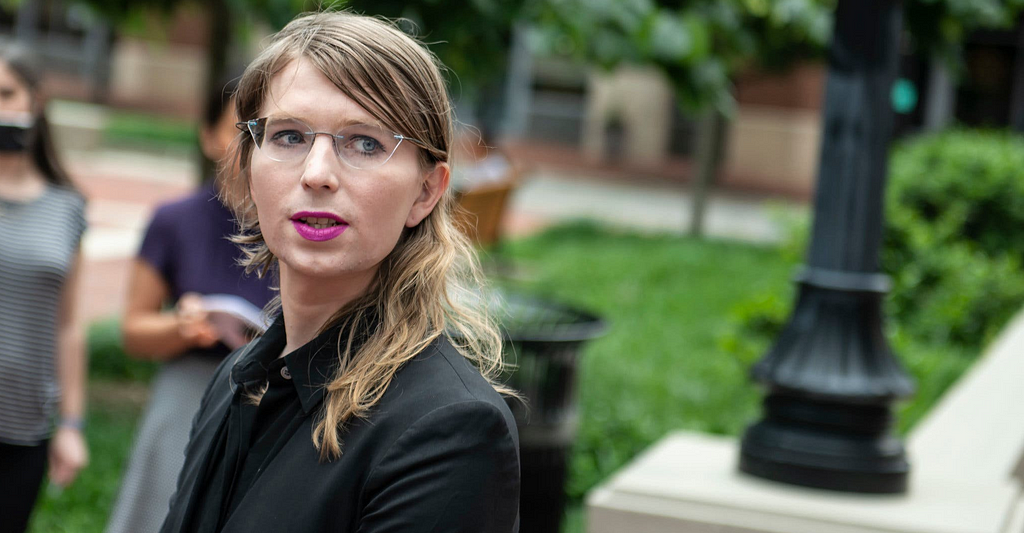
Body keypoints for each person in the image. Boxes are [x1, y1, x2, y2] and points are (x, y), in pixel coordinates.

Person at [159, 11, 520, 533]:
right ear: (247, 165)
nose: (317, 173)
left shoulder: (450, 430)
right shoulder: (235, 380)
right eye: (288, 136)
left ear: (426, 190)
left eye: (364, 142)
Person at [105, 77, 276, 533]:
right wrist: (181, 328)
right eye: (242, 128)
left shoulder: (293, 225)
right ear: (208, 136)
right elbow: (133, 330)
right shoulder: (174, 220)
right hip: (189, 389)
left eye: (271, 130)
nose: (252, 143)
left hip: (273, 399)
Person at [0, 43, 89, 533]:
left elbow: (69, 325)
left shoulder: (66, 208)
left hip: (22, 433)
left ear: (35, 101)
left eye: (6, 93)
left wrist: (72, 425)